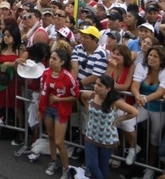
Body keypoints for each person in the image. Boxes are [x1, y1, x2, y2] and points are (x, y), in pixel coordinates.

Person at [80, 74, 138, 179]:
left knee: (103, 165)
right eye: (96, 84)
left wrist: (118, 119)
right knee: (92, 165)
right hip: (90, 136)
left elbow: (134, 112)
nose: (96, 87)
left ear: (108, 89)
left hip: (107, 139)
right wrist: (88, 109)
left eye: (100, 85)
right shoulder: (92, 95)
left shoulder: (115, 102)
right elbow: (82, 97)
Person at [131, 45, 165, 179]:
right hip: (143, 105)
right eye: (150, 55)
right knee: (125, 119)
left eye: (155, 56)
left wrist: (143, 99)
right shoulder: (141, 66)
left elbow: (160, 92)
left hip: (159, 109)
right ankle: (133, 148)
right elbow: (134, 85)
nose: (151, 58)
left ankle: (150, 169)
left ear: (162, 59)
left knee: (154, 139)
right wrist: (137, 95)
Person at [38, 48, 79, 179]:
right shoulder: (45, 73)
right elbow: (42, 92)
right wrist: (40, 109)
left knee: (59, 141)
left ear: (62, 62)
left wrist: (59, 99)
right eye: (51, 58)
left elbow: (75, 96)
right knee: (50, 136)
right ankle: (54, 161)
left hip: (61, 111)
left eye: (54, 59)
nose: (51, 61)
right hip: (48, 109)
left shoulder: (69, 77)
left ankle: (66, 169)